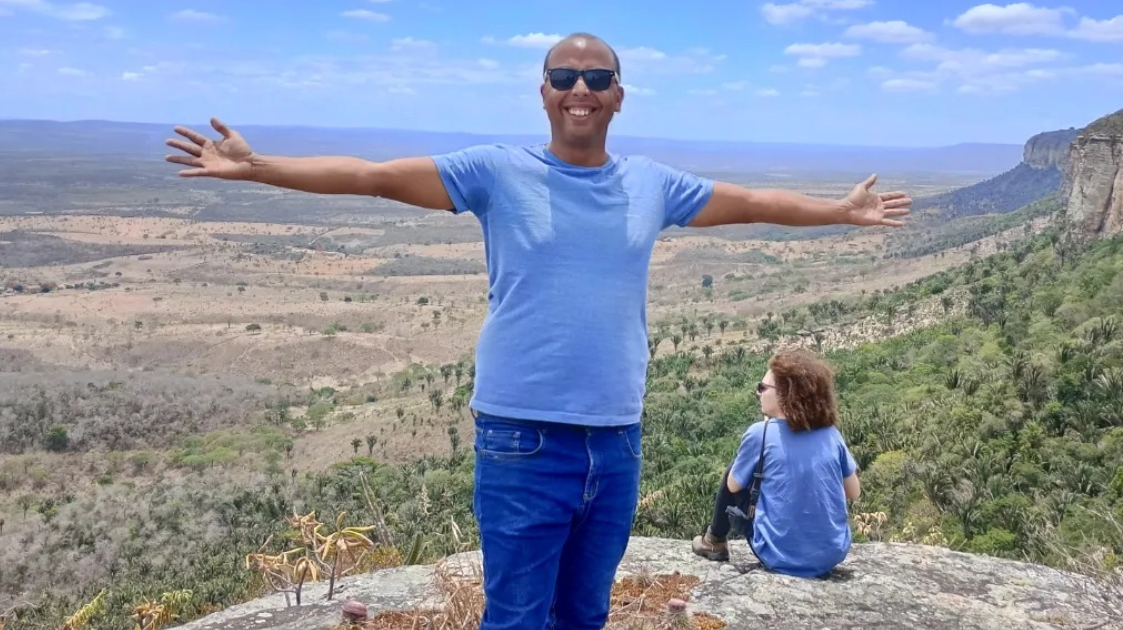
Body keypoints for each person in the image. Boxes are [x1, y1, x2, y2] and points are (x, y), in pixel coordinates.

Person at [165, 31, 906, 630]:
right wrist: (259, 166)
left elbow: (749, 202)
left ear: (618, 96)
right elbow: (374, 176)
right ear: (543, 93)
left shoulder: (651, 183)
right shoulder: (494, 171)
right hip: (521, 438)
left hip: (616, 441)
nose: (578, 89)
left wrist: (839, 212)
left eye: (594, 78)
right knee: (517, 617)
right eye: (563, 77)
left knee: (584, 615)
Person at [692, 349, 861, 578]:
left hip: (778, 555)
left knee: (733, 470)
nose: (758, 393)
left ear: (784, 394)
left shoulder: (759, 434)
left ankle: (714, 541)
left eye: (762, 388)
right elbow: (853, 492)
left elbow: (733, 487)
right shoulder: (831, 435)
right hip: (831, 554)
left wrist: (765, 432)